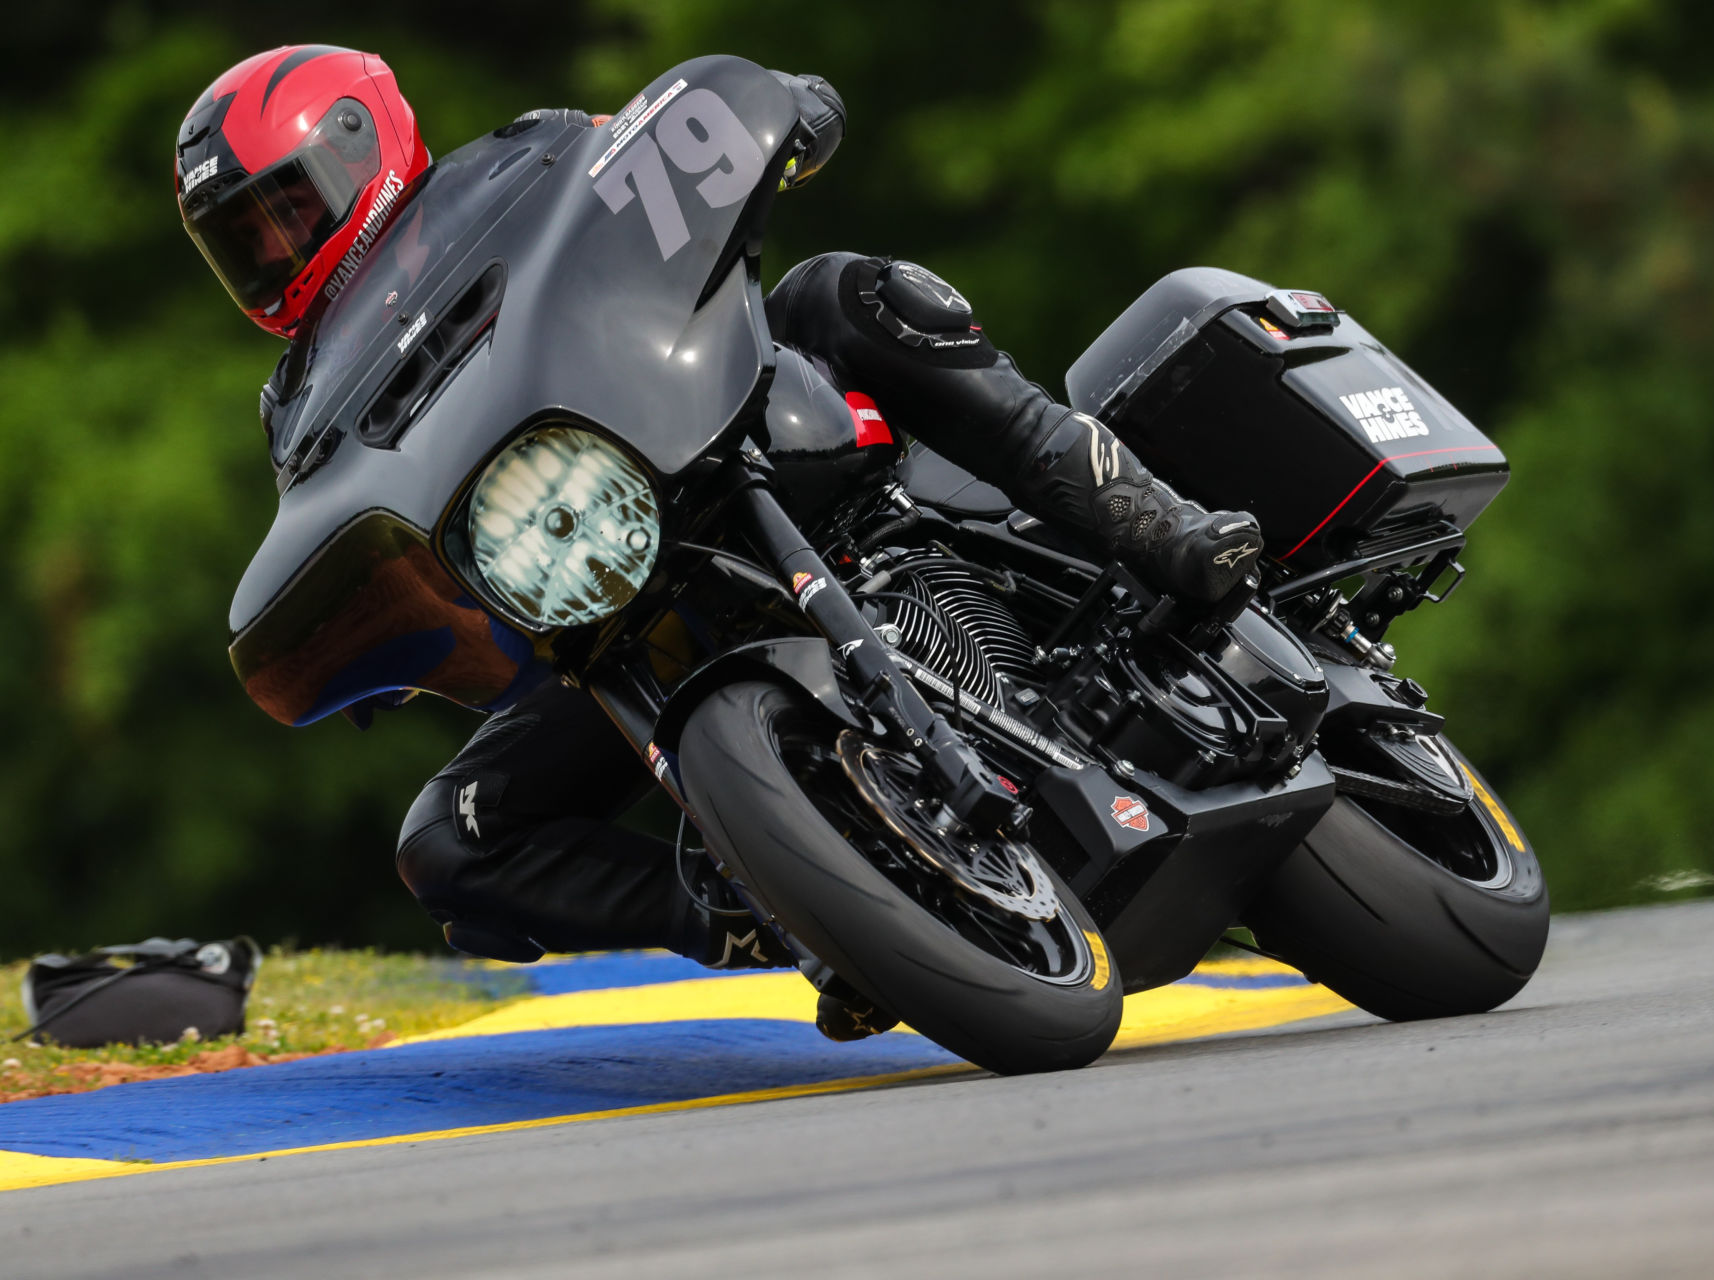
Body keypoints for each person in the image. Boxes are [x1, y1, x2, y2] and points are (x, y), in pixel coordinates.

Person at [178, 45, 1264, 1039]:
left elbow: (660, 159)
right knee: (449, 839)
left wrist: (775, 114)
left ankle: (1149, 522)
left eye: (287, 206)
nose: (277, 247)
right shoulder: (299, 409)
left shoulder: (522, 159)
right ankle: (765, 908)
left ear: (366, 141)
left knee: (838, 291)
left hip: (721, 435)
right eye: (247, 238)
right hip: (590, 597)